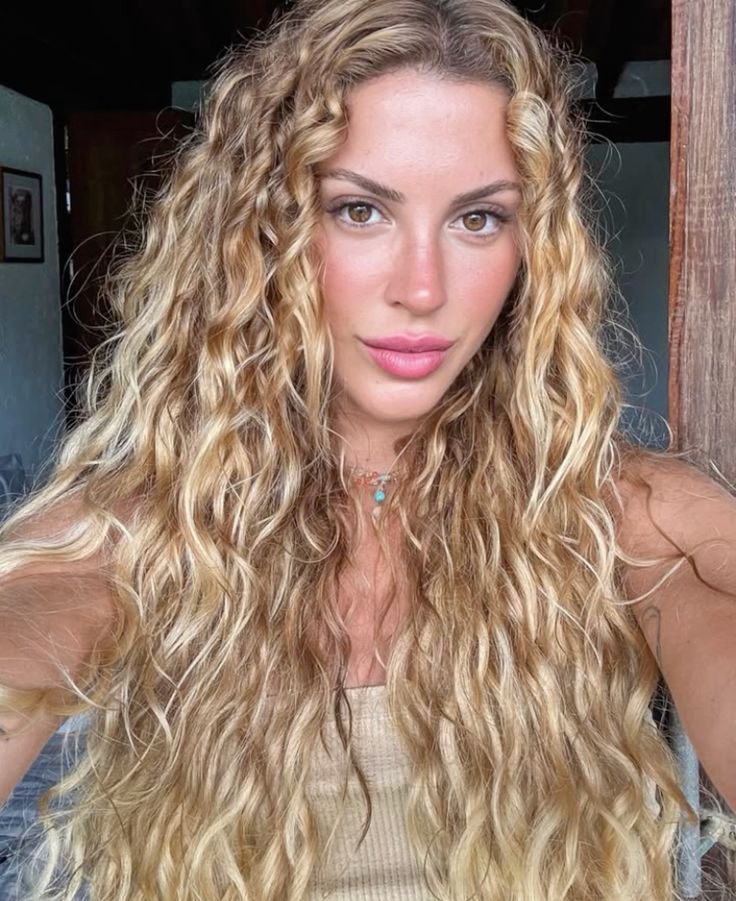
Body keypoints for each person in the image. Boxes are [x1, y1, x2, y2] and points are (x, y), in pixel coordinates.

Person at [0, 0, 734, 898]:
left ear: (532, 248)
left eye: (478, 219)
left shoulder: (612, 511)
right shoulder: (141, 528)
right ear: (261, 232)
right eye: (359, 210)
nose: (422, 288)